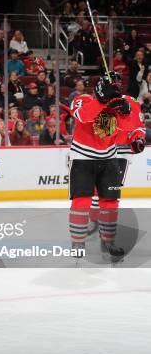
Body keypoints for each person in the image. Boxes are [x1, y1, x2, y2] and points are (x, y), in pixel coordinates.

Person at [67, 72, 143, 259]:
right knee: (82, 200)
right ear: (99, 86)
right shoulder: (82, 99)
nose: (115, 86)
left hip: (109, 157)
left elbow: (129, 127)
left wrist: (125, 114)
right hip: (82, 157)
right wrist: (100, 101)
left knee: (110, 201)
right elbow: (82, 117)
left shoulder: (125, 102)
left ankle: (108, 242)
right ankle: (77, 242)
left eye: (118, 83)